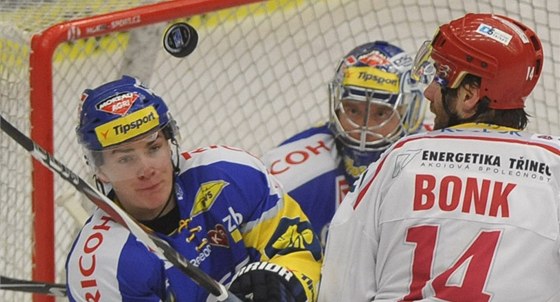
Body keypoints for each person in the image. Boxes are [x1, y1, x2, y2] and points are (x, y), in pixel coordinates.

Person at [318, 13, 560, 301]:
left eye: (439, 77)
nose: (429, 91)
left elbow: (341, 284)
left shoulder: (400, 158)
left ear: (469, 95)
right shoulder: (554, 165)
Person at [65, 75, 322, 302]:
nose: (146, 170)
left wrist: (288, 284)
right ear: (100, 170)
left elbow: (297, 249)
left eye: (153, 148)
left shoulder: (230, 174)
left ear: (171, 143)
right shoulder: (103, 264)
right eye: (125, 158)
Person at [262, 41, 430, 246]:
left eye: (381, 113)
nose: (364, 126)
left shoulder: (434, 164)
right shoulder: (291, 174)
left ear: (407, 113)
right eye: (353, 110)